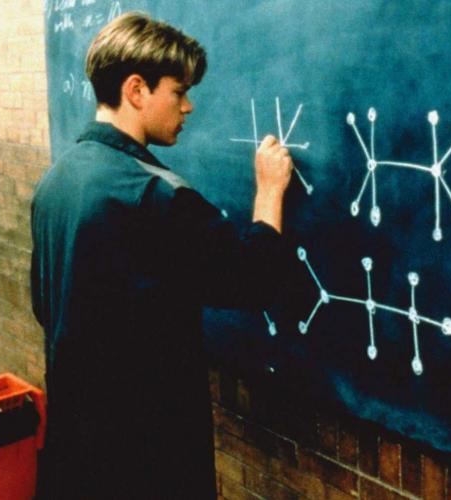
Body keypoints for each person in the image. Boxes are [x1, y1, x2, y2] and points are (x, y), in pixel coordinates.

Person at [30, 12, 293, 499]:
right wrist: (270, 191)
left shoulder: (55, 181)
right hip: (148, 454)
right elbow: (253, 279)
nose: (188, 106)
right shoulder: (156, 196)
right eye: (179, 91)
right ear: (136, 90)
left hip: (75, 447)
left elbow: (44, 303)